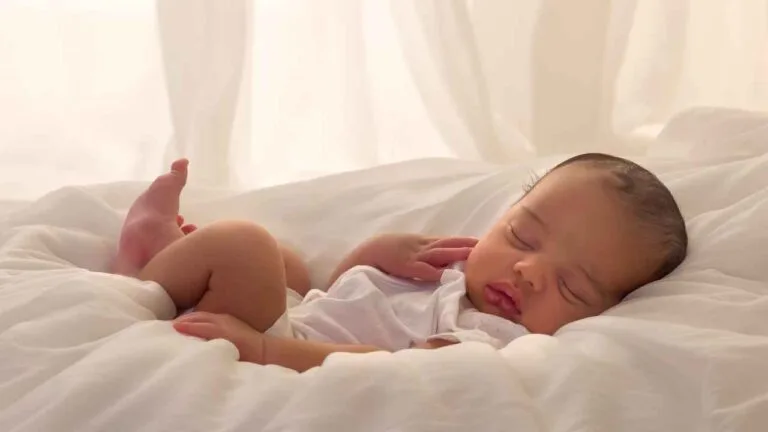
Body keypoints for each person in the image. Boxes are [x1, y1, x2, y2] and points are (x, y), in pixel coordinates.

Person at [112, 154, 687, 372]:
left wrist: (266, 349)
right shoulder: (458, 278)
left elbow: (383, 362)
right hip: (298, 315)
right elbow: (347, 300)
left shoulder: (486, 341)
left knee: (247, 246)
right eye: (522, 236)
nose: (528, 272)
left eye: (572, 285)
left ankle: (146, 273)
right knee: (291, 268)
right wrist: (374, 255)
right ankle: (168, 255)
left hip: (279, 345)